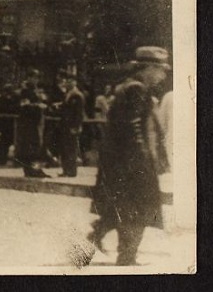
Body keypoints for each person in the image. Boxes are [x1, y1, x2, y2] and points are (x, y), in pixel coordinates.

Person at [88, 46, 171, 265]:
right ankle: (126, 257)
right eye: (161, 70)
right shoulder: (136, 89)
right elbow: (134, 128)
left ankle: (94, 238)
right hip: (134, 161)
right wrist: (142, 160)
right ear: (148, 68)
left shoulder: (130, 87)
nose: (163, 75)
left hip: (122, 161)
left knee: (122, 206)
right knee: (140, 207)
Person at [15, 68, 51, 178]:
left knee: (35, 147)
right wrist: (37, 106)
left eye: (37, 78)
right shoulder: (25, 91)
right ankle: (31, 170)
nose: (36, 80)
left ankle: (34, 169)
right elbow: (24, 105)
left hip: (36, 122)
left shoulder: (35, 90)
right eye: (34, 77)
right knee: (31, 147)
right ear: (29, 78)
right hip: (29, 123)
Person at [58, 71, 85, 177]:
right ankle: (66, 170)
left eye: (70, 81)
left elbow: (79, 113)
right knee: (64, 148)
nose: (68, 83)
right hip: (65, 125)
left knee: (71, 148)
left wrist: (76, 126)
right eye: (67, 81)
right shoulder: (67, 94)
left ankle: (72, 171)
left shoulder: (77, 95)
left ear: (75, 82)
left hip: (72, 125)